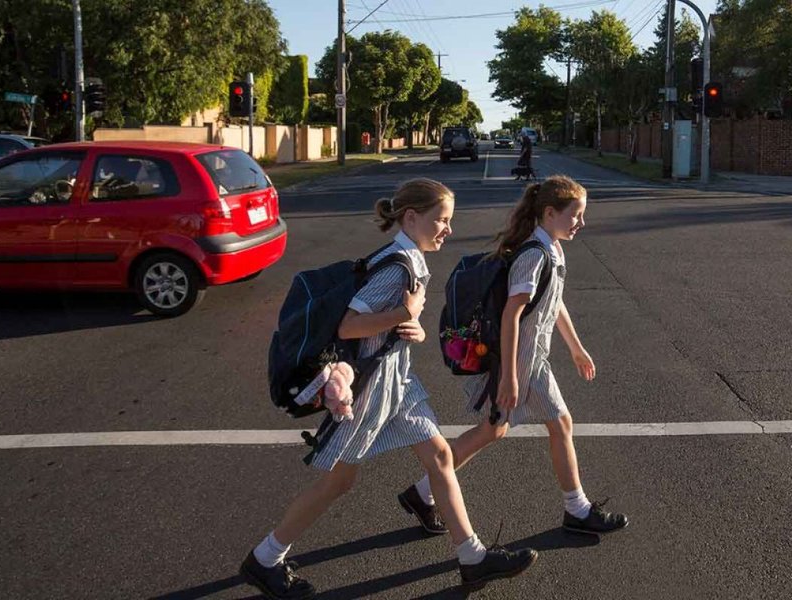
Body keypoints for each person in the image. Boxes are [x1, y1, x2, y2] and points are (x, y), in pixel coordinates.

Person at [240, 178, 538, 599]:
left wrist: (406, 325)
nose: (448, 230)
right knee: (338, 481)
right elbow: (348, 324)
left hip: (398, 379)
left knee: (438, 456)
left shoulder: (410, 257)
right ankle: (265, 558)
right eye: (442, 220)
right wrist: (404, 311)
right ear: (412, 217)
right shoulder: (398, 263)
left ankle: (472, 558)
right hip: (370, 387)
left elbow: (380, 324)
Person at [399, 175, 629, 539]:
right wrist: (508, 376)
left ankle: (421, 492)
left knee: (493, 430)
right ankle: (577, 508)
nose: (581, 223)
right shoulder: (533, 255)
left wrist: (576, 347)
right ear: (550, 213)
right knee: (561, 424)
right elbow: (511, 314)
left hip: (529, 359)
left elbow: (554, 303)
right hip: (523, 362)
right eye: (576, 215)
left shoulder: (552, 248)